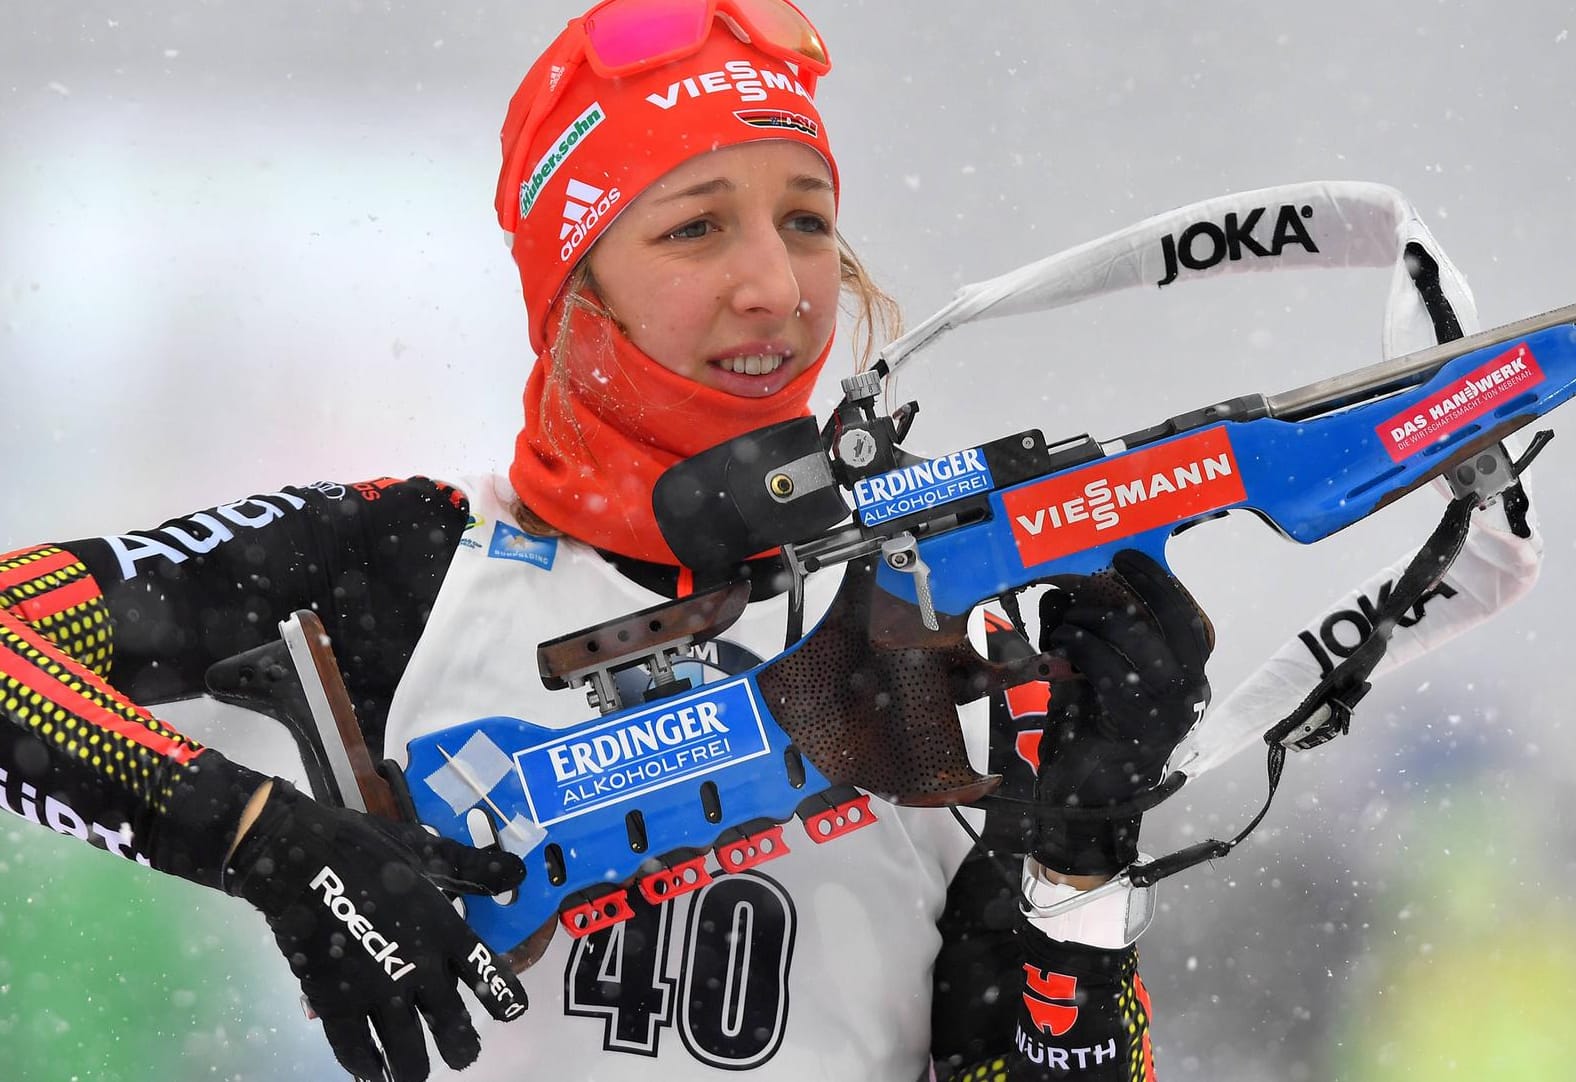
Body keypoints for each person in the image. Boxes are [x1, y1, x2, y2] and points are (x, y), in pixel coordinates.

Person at [0, 2, 1213, 1079]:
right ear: (573, 283)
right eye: (696, 228)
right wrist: (265, 841)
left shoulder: (950, 612)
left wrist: (1082, 865)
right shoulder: (407, 565)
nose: (778, 289)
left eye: (805, 221)